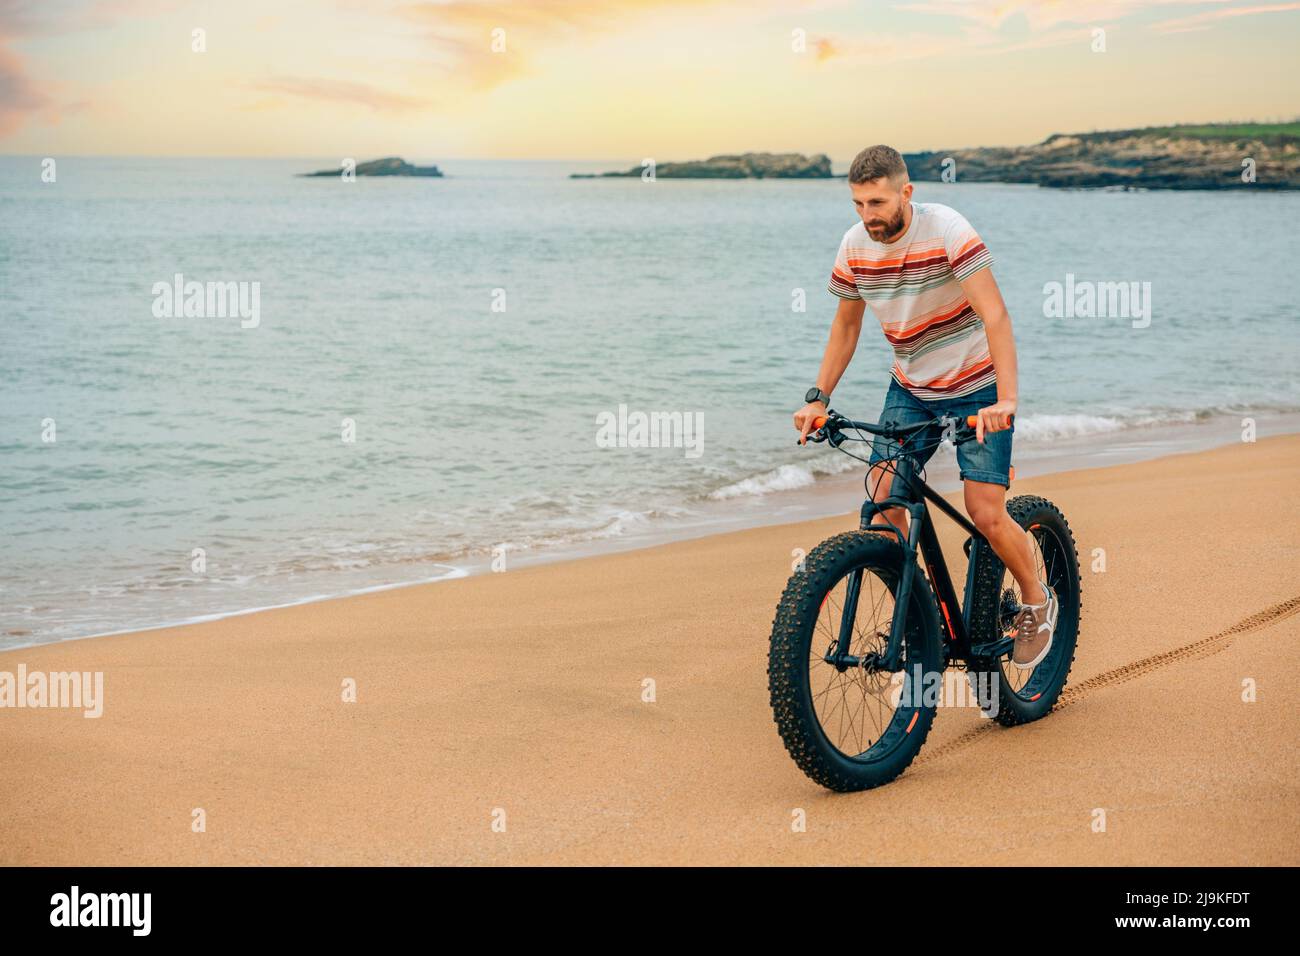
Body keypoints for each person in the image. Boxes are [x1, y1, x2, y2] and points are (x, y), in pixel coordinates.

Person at [793, 144, 1057, 668]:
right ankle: (927, 615)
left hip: (978, 387)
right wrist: (820, 398)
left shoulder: (947, 230)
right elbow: (847, 325)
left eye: (877, 202)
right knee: (885, 501)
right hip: (911, 387)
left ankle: (1036, 599)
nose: (868, 215)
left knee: (984, 511)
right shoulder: (854, 247)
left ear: (905, 193)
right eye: (858, 204)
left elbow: (996, 315)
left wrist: (1006, 400)